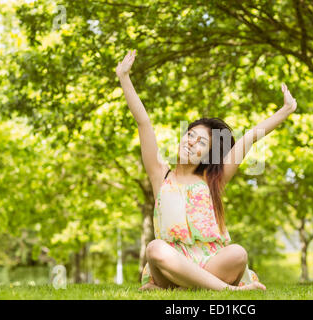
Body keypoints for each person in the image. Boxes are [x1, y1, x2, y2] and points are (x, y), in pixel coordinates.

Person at [116, 50, 297, 291]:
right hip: (170, 264)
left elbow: (248, 139)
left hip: (211, 262)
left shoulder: (212, 180)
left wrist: (285, 110)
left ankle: (185, 290)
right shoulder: (161, 174)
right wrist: (124, 77)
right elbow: (143, 122)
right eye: (190, 135)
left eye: (201, 142)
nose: (191, 142)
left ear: (208, 155)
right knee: (155, 248)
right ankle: (228, 291)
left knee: (238, 253)